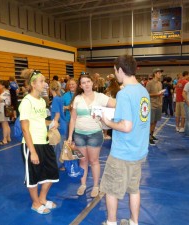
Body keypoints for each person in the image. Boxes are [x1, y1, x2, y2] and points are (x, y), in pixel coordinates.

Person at [100, 55, 150, 225]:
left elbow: (126, 126)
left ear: (120, 70)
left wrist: (106, 122)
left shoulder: (124, 93)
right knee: (134, 189)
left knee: (111, 190)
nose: (115, 74)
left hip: (123, 152)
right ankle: (134, 222)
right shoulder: (143, 90)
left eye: (115, 71)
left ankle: (111, 222)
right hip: (139, 150)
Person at [67, 73, 116, 198]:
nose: (86, 84)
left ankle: (95, 186)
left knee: (94, 161)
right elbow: (73, 119)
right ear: (80, 85)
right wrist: (70, 136)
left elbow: (115, 104)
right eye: (83, 82)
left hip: (95, 134)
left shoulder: (100, 97)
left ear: (92, 83)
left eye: (88, 81)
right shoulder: (77, 98)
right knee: (82, 160)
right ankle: (83, 184)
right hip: (79, 135)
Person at [19, 69, 59, 214]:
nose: (45, 84)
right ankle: (35, 203)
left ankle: (42, 198)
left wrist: (51, 123)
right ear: (33, 84)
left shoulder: (42, 101)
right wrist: (33, 152)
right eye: (42, 81)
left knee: (52, 172)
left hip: (44, 142)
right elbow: (25, 128)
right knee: (34, 176)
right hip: (32, 145)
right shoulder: (26, 102)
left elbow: (41, 121)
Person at [49, 80, 67, 170]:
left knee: (58, 147)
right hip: (62, 124)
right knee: (61, 146)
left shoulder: (56, 99)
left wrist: (54, 123)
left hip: (59, 125)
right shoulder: (60, 98)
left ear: (50, 89)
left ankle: (57, 165)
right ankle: (61, 164)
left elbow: (57, 114)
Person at [146, 68, 163, 145]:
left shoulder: (160, 83)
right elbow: (146, 94)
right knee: (151, 122)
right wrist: (156, 94)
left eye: (160, 73)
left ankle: (152, 135)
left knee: (155, 121)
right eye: (159, 73)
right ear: (155, 74)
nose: (160, 74)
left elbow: (159, 93)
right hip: (152, 105)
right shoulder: (150, 83)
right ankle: (148, 137)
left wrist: (161, 95)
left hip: (158, 104)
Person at [0, 80, 11, 145]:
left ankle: (4, 139)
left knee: (4, 124)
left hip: (3, 109)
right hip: (5, 108)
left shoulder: (5, 93)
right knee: (6, 124)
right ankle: (8, 137)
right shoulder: (6, 92)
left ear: (3, 86)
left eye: (0, 85)